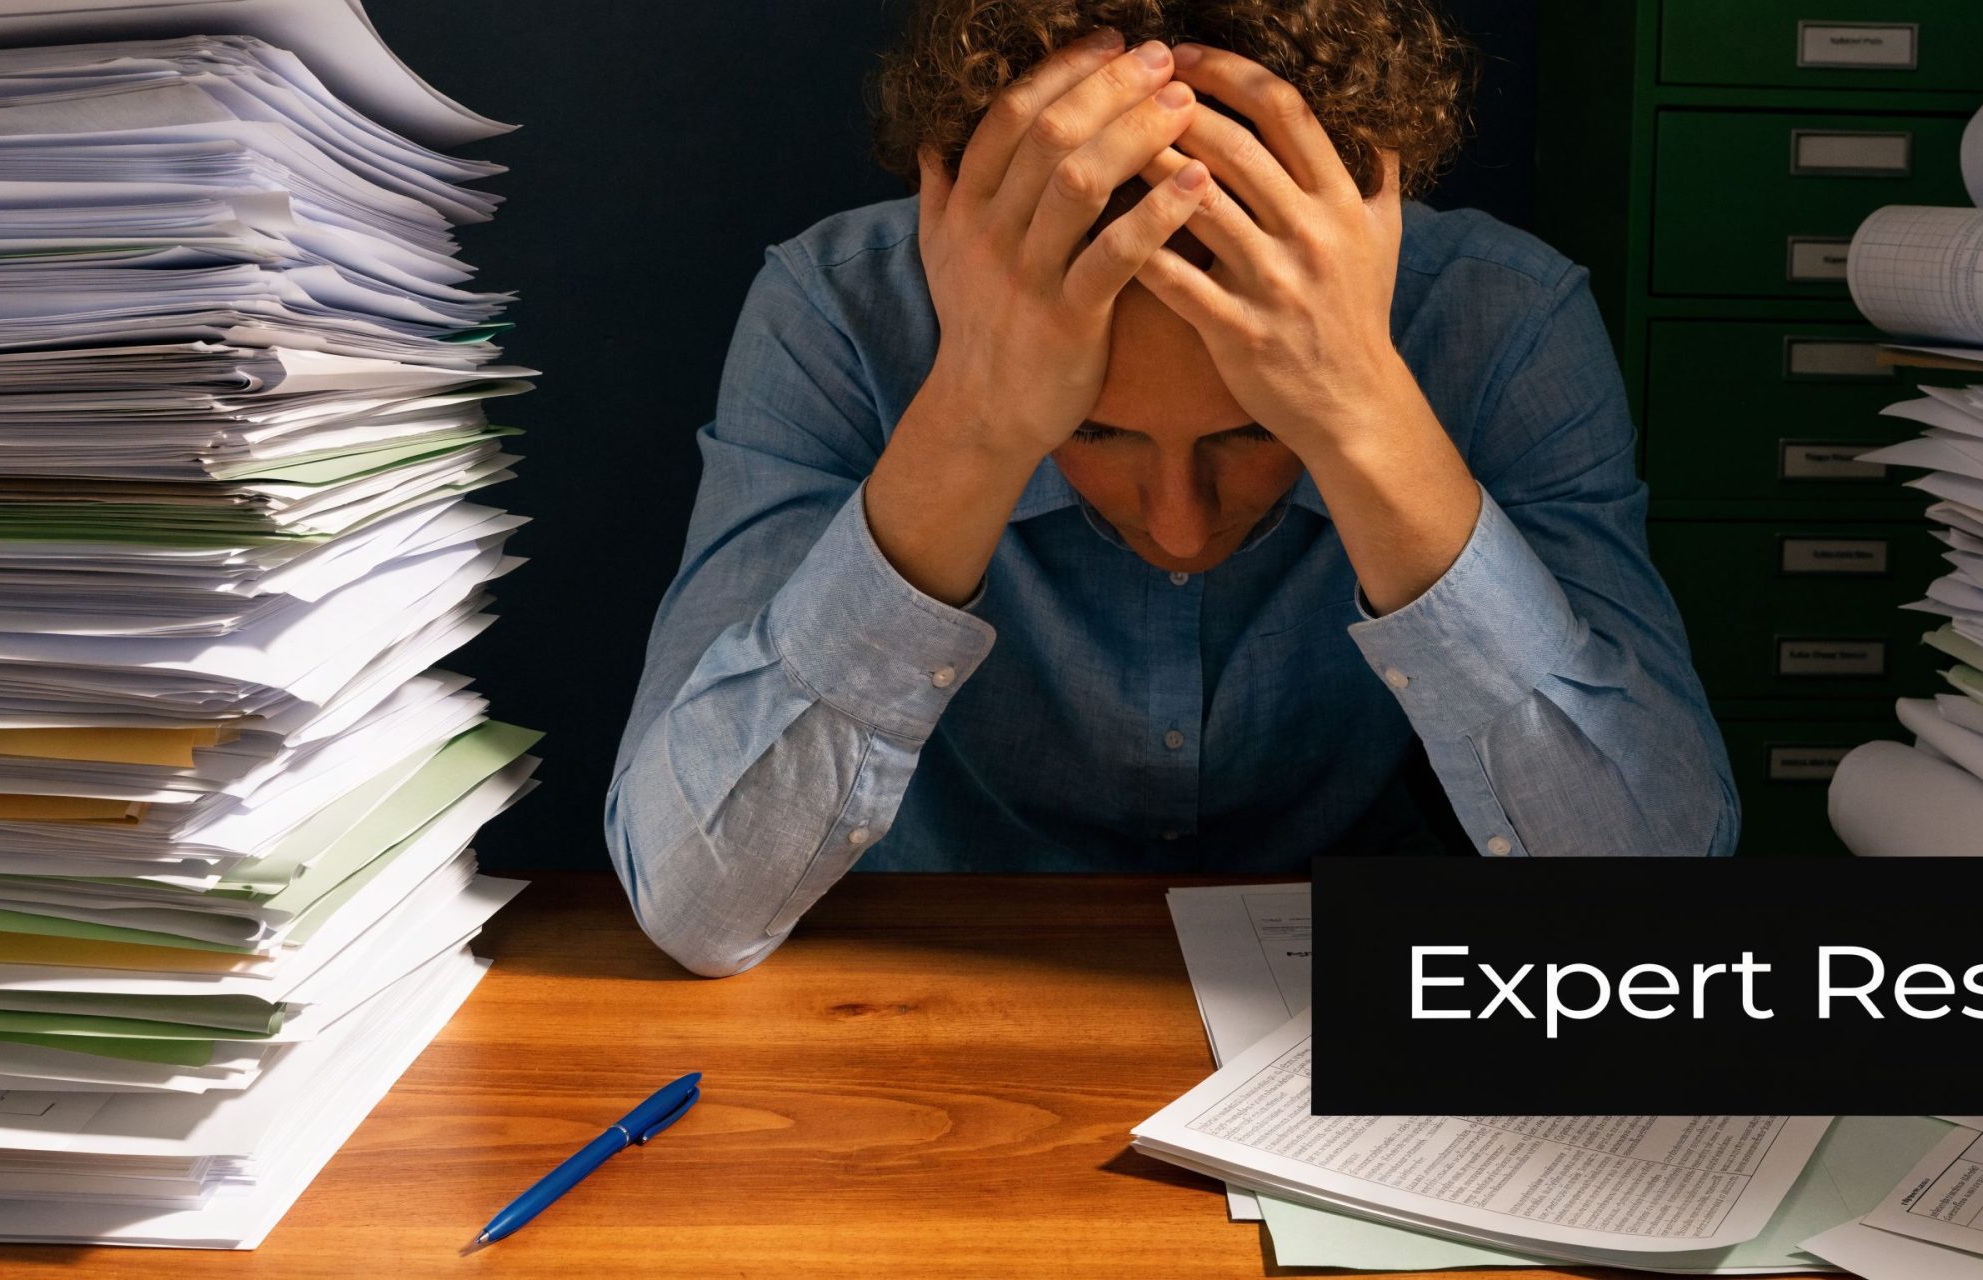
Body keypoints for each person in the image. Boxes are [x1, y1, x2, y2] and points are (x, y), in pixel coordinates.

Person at [607, 0, 1738, 978]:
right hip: (935, 981)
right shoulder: (840, 315)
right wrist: (974, 417)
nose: (1178, 524)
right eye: (1096, 431)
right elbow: (700, 903)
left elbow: (1648, 906)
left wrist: (1362, 413)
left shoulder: (1498, 322)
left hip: (1348, 1002)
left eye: (1251, 434)